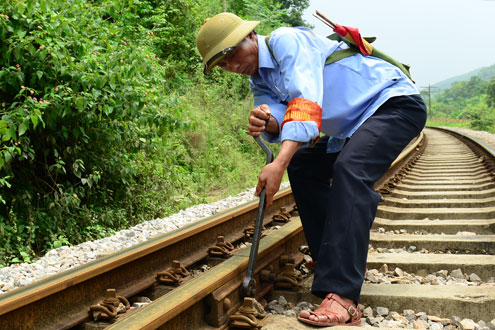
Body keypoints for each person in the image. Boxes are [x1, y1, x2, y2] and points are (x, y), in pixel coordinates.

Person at [196, 12, 427, 327]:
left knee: (350, 170)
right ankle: (328, 257)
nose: (233, 66)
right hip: (355, 124)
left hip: (393, 104)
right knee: (305, 165)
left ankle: (343, 296)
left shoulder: (285, 41)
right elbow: (280, 115)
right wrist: (267, 119)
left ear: (251, 37)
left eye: (233, 54)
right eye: (223, 64)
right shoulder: (259, 78)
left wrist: (280, 162)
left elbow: (305, 102)